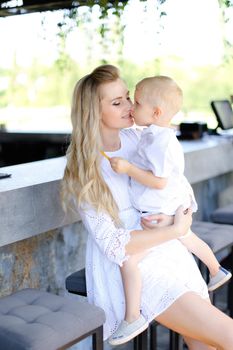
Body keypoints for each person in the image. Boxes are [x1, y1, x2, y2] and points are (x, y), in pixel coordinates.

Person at [61, 64, 233, 350]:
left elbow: (174, 184)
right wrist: (176, 229)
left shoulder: (139, 138)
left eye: (128, 97)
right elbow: (114, 245)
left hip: (169, 248)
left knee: (206, 343)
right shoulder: (85, 168)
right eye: (117, 102)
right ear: (93, 111)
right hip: (131, 266)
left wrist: (179, 219)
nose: (130, 106)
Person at [108, 75, 232, 344]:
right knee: (185, 240)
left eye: (134, 101)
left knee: (181, 240)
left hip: (157, 220)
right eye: (122, 101)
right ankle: (215, 270)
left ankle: (133, 317)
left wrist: (129, 169)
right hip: (152, 225)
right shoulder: (147, 135)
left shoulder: (159, 140)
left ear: (156, 112)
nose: (131, 106)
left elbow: (164, 180)